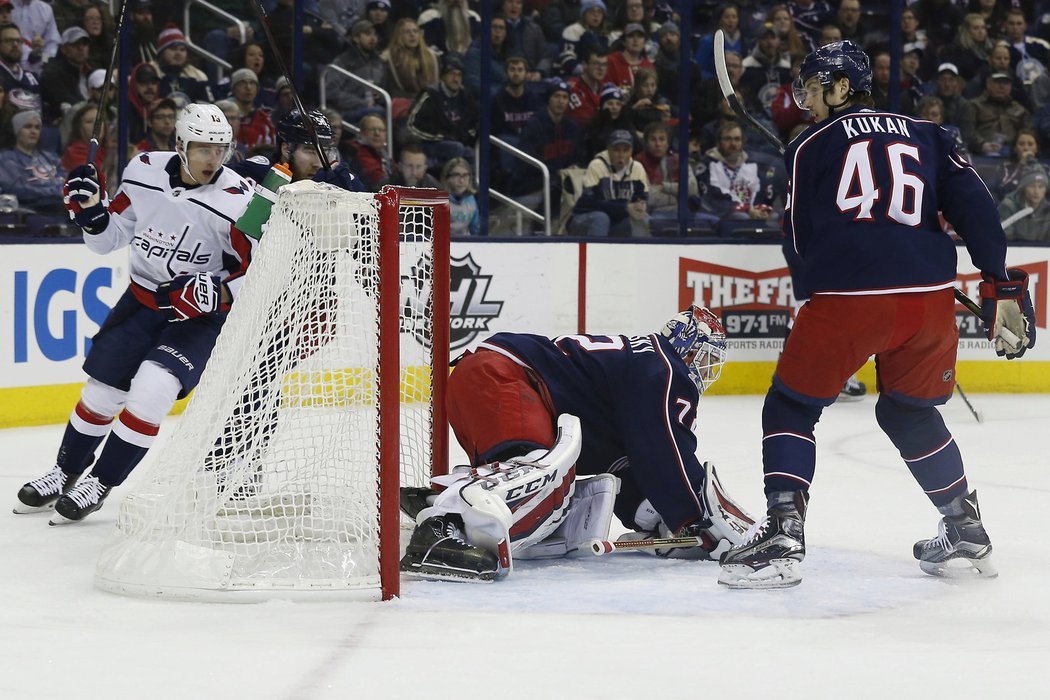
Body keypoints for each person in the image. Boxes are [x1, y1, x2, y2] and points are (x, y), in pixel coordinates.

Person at [718, 40, 1036, 590]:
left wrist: (816, 287)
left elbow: (798, 238)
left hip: (847, 298)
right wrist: (1000, 281)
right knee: (908, 413)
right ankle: (966, 529)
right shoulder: (932, 134)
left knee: (792, 405)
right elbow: (976, 208)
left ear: (842, 87)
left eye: (814, 89)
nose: (807, 102)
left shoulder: (806, 145)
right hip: (929, 301)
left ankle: (783, 534)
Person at [13, 103, 255, 523]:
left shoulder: (237, 201)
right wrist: (91, 217)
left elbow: (257, 272)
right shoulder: (143, 170)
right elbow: (109, 240)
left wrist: (217, 293)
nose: (212, 158)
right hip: (140, 303)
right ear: (180, 144)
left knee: (151, 392)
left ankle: (101, 482)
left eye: (220, 148)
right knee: (101, 394)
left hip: (195, 320)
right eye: (201, 148)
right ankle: (65, 472)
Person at [399, 306, 754, 581]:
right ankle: (440, 528)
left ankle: (437, 501)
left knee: (547, 509)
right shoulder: (665, 368)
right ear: (688, 348)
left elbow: (636, 464)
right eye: (706, 359)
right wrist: (694, 517)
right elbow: (665, 449)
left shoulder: (637, 377)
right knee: (541, 480)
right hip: (504, 378)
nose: (706, 371)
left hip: (487, 379)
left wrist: (657, 519)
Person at [232, 108, 361, 192]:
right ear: (287, 149)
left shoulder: (339, 179)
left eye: (325, 152)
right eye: (310, 151)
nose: (318, 163)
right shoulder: (257, 172)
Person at [568, 128, 650, 237]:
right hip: (584, 219)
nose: (621, 155)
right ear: (609, 149)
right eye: (616, 150)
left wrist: (639, 207)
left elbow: (641, 199)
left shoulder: (637, 168)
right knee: (601, 218)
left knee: (644, 220)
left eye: (625, 150)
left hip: (616, 222)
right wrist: (625, 208)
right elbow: (589, 203)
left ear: (631, 151)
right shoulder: (596, 165)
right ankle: (597, 253)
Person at [0, 109, 66, 212]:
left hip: (60, 207)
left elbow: (67, 182)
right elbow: (19, 190)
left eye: (37, 127)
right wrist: (56, 192)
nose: (33, 131)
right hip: (30, 210)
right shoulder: (6, 159)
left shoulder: (51, 158)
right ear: (17, 130)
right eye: (28, 126)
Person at [998, 164, 1050, 241]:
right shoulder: (1008, 206)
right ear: (1024, 187)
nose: (1036, 191)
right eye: (1032, 186)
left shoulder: (1047, 210)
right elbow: (1004, 238)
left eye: (1041, 186)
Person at [441, 156, 478, 236]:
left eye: (465, 175)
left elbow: (475, 229)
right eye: (456, 175)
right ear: (447, 178)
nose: (461, 180)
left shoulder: (471, 200)